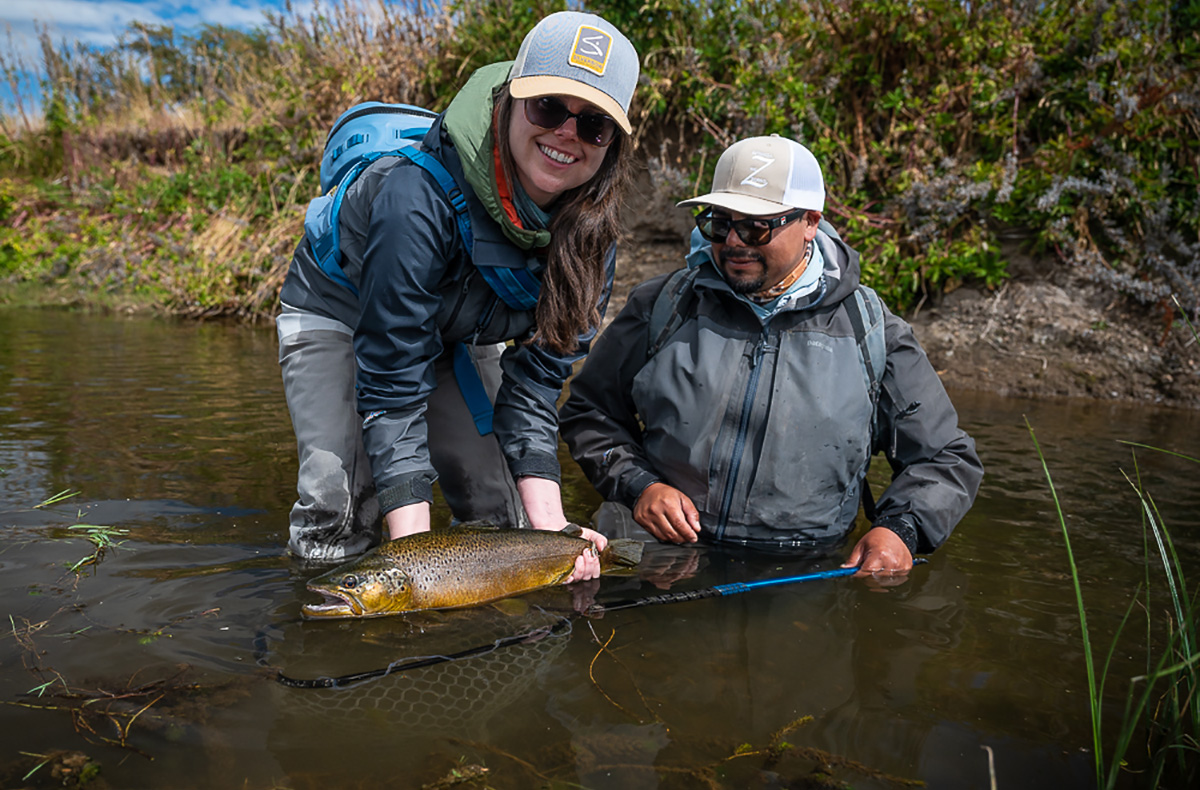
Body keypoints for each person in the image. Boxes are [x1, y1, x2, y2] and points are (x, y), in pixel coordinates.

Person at [277, 11, 639, 582]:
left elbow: (535, 389)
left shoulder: (591, 241)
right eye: (548, 107)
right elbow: (393, 382)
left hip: (458, 328)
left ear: (612, 143)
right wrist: (415, 570)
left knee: (511, 518)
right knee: (340, 517)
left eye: (593, 124)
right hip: (342, 310)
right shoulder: (413, 197)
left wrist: (553, 533)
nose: (567, 133)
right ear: (509, 99)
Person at [559, 135, 982, 574]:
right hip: (654, 555)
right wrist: (638, 486)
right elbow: (590, 413)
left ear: (811, 222)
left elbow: (945, 457)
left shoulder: (873, 332)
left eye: (758, 226)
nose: (735, 242)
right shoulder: (662, 306)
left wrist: (901, 530)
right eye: (720, 223)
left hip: (802, 571)